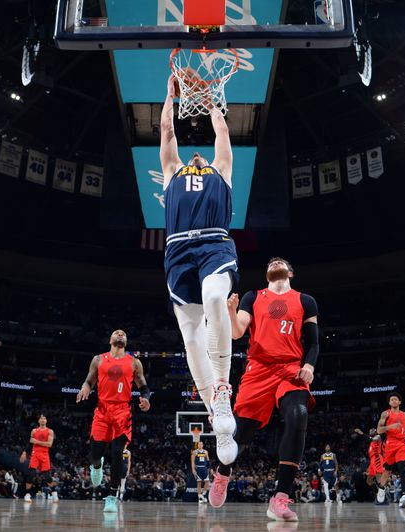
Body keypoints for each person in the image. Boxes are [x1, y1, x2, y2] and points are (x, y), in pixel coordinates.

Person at [160, 74, 238, 464]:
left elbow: (222, 134)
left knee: (213, 297)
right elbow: (166, 131)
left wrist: (210, 101)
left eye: (202, 154)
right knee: (191, 335)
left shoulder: (220, 171)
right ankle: (215, 411)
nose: (197, 155)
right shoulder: (172, 170)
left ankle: (222, 386)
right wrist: (170, 96)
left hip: (213, 242)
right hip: (177, 250)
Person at [210, 257, 319, 523]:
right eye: (270, 263)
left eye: (280, 262)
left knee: (299, 415)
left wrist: (310, 366)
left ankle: (280, 497)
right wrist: (232, 312)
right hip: (258, 370)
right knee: (241, 433)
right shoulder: (252, 296)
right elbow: (237, 333)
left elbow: (314, 343)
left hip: (290, 370)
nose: (274, 263)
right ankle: (223, 472)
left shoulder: (306, 301)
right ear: (266, 274)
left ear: (290, 272)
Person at [76, 329, 151, 513]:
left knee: (118, 453)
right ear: (110, 339)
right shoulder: (98, 359)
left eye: (123, 333)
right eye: (116, 333)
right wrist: (85, 388)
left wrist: (146, 399)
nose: (120, 334)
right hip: (102, 410)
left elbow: (144, 387)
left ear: (126, 341)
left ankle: (111, 496)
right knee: (96, 453)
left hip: (122, 412)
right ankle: (96, 465)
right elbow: (88, 381)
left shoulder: (134, 362)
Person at [375, 392, 405, 508]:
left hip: (402, 444)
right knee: (387, 471)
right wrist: (390, 427)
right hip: (390, 444)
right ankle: (381, 490)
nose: (394, 401)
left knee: (402, 467)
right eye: (391, 400)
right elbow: (378, 430)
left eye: (396, 399)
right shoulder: (385, 414)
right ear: (389, 402)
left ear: (399, 402)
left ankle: (404, 495)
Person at [25, 414, 56, 502]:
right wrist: (24, 452)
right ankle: (27, 494)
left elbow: (49, 444)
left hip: (44, 454)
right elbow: (30, 442)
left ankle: (54, 493)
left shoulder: (50, 431)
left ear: (46, 421)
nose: (43, 420)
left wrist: (36, 441)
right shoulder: (34, 431)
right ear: (38, 421)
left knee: (47, 476)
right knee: (31, 474)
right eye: (41, 418)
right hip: (35, 453)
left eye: (44, 418)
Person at [354, 428, 384, 498]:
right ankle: (377, 494)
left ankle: (382, 496)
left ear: (375, 431)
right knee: (369, 481)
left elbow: (371, 439)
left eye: (372, 430)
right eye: (370, 430)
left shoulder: (378, 437)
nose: (370, 431)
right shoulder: (371, 443)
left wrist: (362, 433)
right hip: (372, 460)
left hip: (377, 457)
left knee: (378, 476)